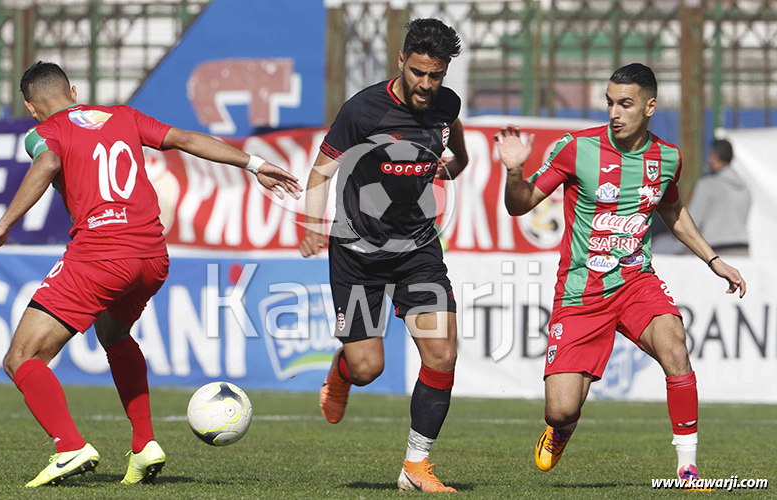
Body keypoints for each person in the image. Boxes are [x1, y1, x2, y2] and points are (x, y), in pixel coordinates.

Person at [0, 61, 301, 487]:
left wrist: (4, 225)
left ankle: (70, 446)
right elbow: (184, 138)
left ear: (31, 108)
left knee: (21, 358)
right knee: (113, 334)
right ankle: (144, 444)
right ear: (73, 89)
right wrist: (254, 164)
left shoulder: (43, 132)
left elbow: (49, 161)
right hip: (151, 257)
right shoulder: (122, 116)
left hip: (101, 255)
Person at [495, 63, 746, 487]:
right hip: (582, 290)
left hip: (636, 282)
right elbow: (520, 205)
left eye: (625, 103)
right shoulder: (577, 148)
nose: (615, 111)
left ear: (649, 106)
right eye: (610, 102)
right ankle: (563, 427)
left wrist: (713, 259)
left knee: (675, 348)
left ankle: (687, 469)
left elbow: (673, 211)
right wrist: (515, 171)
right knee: (559, 408)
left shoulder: (667, 158)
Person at [298, 18, 468, 493]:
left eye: (436, 76)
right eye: (418, 73)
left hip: (416, 247)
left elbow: (456, 142)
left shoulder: (445, 104)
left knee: (442, 351)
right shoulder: (363, 109)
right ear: (401, 61)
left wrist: (455, 163)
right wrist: (313, 227)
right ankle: (342, 371)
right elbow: (321, 171)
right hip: (357, 253)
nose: (426, 85)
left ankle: (416, 466)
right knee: (369, 367)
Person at [688, 138, 751, 256]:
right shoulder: (745, 188)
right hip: (743, 248)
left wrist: (680, 247)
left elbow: (691, 223)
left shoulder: (707, 185)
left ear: (715, 157)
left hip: (716, 249)